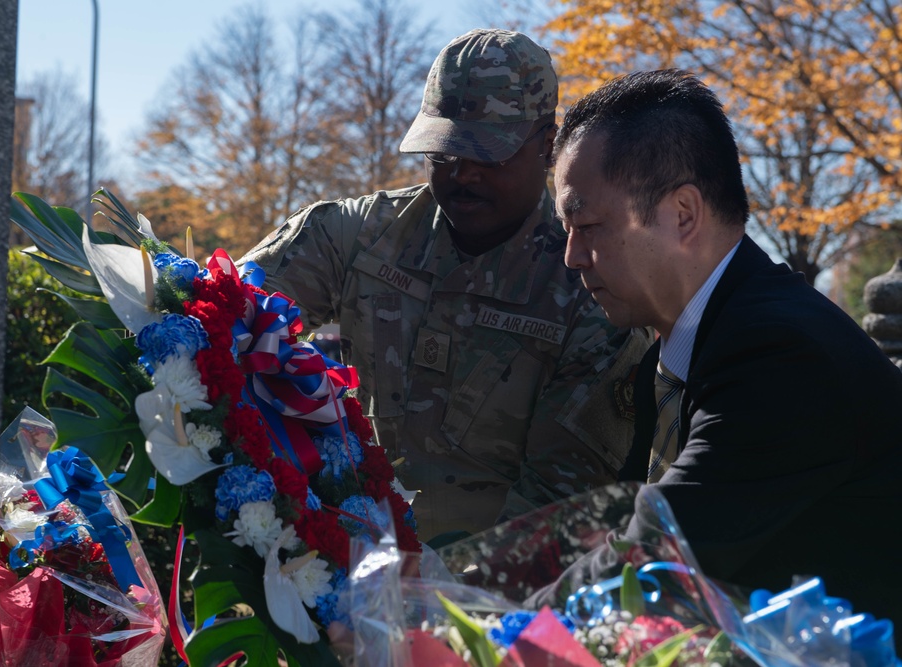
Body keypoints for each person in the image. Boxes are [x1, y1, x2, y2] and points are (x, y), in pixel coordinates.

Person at [237, 29, 651, 542]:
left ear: (548, 145)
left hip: (482, 601)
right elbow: (222, 320)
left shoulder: (589, 291)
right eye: (444, 152)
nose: (462, 174)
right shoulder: (360, 234)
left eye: (488, 155)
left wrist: (436, 600)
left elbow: (559, 512)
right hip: (325, 559)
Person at [538, 68, 902, 632]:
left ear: (683, 214)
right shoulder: (686, 344)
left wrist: (486, 627)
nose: (572, 256)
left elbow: (656, 561)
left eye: (586, 224)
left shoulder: (781, 356)